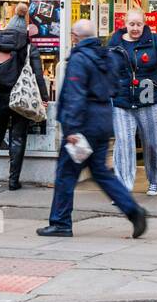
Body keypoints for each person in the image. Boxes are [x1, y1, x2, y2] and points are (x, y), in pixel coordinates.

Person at [38, 19, 147, 238]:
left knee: (65, 175)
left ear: (76, 36)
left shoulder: (79, 59)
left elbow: (75, 95)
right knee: (100, 172)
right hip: (103, 121)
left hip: (83, 125)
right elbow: (115, 87)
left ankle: (60, 223)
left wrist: (71, 129)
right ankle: (134, 210)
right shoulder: (106, 56)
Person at [0, 3, 48, 191]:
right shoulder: (28, 48)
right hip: (19, 99)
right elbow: (38, 75)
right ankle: (13, 182)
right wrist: (44, 97)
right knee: (17, 139)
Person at [108, 9, 157, 195]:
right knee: (123, 143)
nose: (135, 28)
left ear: (145, 23)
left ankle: (154, 179)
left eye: (139, 24)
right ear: (125, 23)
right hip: (122, 102)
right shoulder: (114, 43)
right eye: (132, 24)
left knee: (153, 143)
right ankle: (123, 186)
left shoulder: (155, 41)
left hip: (151, 101)